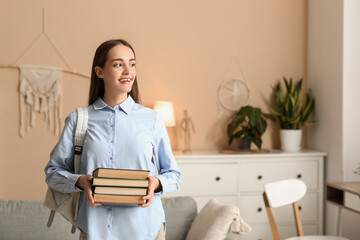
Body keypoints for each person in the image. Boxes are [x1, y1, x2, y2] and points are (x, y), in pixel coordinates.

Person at [45, 39, 181, 240]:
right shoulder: (79, 120)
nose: (128, 71)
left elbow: (174, 174)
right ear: (99, 72)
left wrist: (156, 183)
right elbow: (52, 173)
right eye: (118, 64)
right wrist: (80, 181)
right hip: (95, 230)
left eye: (132, 64)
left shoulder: (151, 119)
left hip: (147, 230)